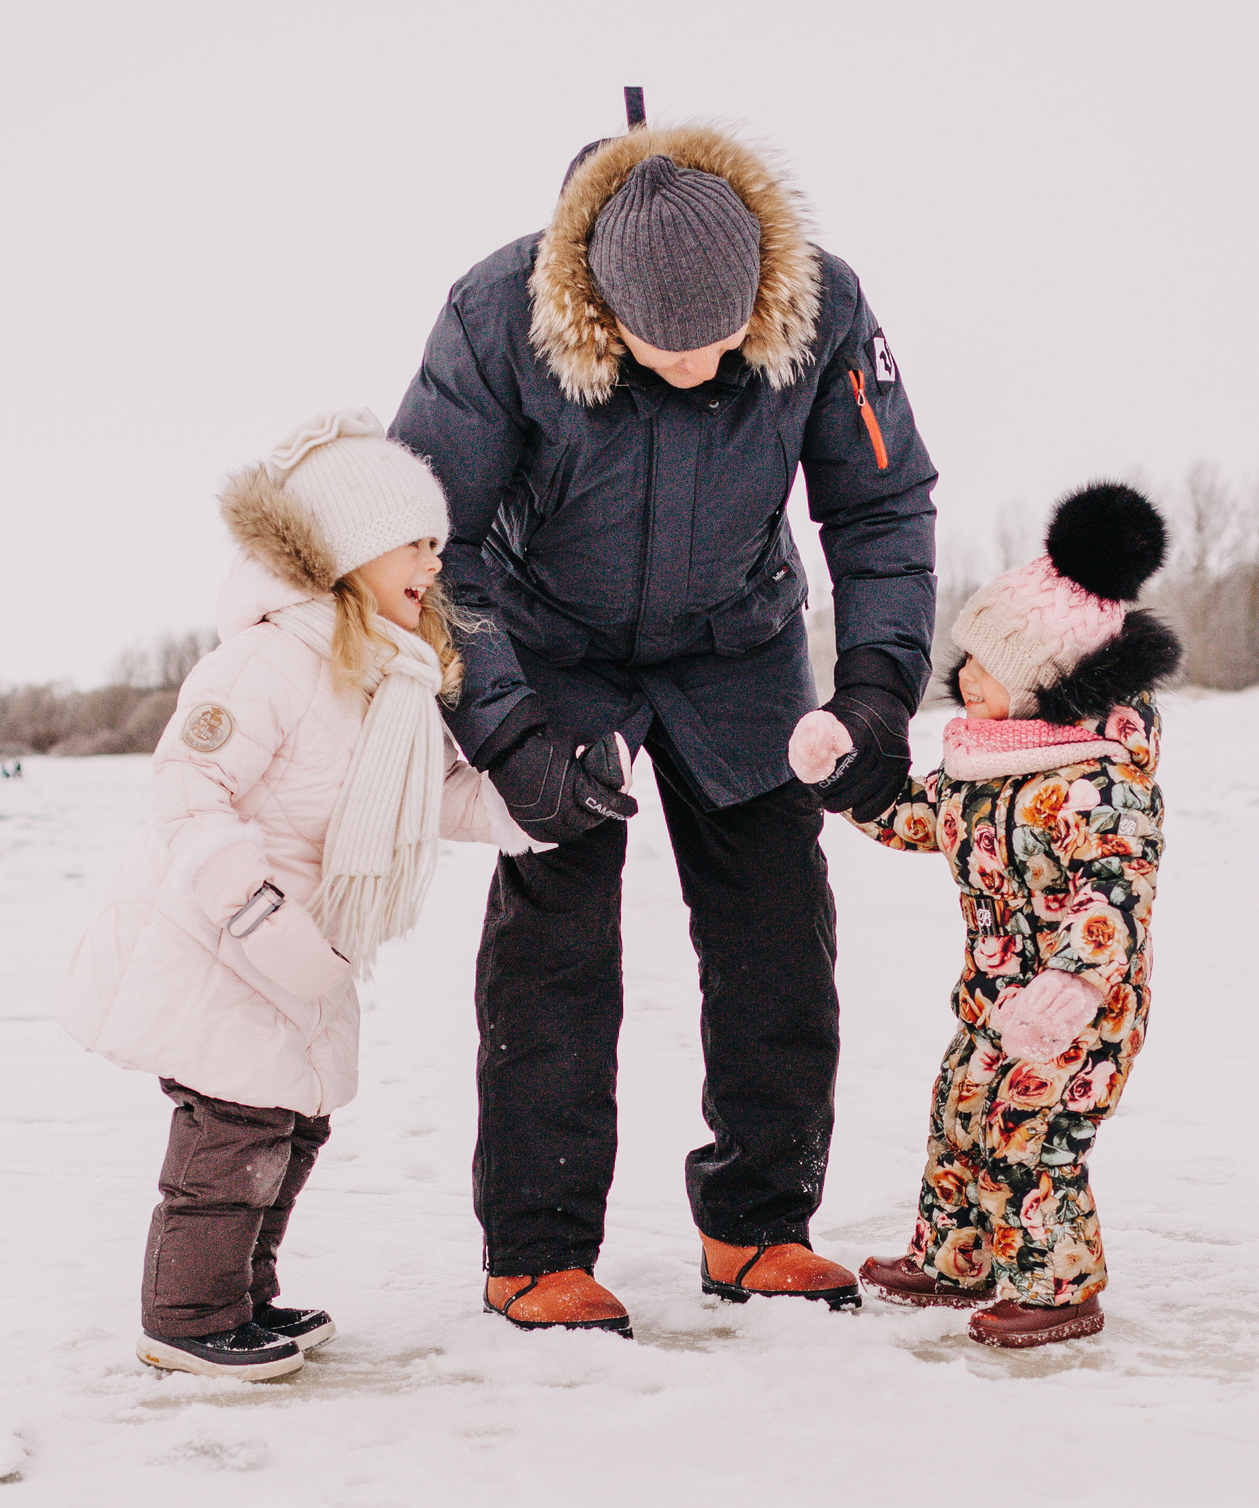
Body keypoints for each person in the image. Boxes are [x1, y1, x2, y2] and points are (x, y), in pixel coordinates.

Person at [391, 109, 940, 1334]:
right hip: (549, 654)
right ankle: (536, 1249)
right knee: (555, 955)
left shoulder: (826, 307)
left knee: (778, 935)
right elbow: (431, 540)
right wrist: (509, 731)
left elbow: (882, 504)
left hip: (737, 647)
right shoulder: (499, 313)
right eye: (659, 346)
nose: (694, 366)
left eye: (720, 342)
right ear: (600, 305)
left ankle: (756, 1224)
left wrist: (874, 690)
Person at [55, 410, 533, 1379]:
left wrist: (539, 807)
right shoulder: (265, 660)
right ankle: (186, 1316)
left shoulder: (383, 676)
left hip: (300, 949)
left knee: (288, 1120)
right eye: (413, 541)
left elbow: (427, 793)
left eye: (439, 543)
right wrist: (258, 915)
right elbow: (189, 792)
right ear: (350, 547)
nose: (433, 563)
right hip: (216, 942)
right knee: (231, 1129)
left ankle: (244, 1296)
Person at [791, 484, 1179, 1348]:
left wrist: (1073, 987)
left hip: (1081, 1015)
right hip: (993, 1004)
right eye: (963, 658)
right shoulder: (985, 766)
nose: (961, 677)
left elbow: (1116, 894)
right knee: (960, 1114)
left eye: (987, 664)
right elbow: (916, 817)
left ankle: (1057, 1286)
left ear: (1046, 680)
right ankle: (957, 1256)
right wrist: (843, 778)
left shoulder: (1100, 782)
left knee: (1028, 1139)